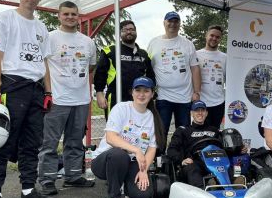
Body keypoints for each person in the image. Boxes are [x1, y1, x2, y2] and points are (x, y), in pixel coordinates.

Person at [0, 0, 55, 198]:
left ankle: (28, 190)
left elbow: (44, 63)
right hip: (11, 87)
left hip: (36, 89)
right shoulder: (3, 19)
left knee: (32, 143)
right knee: (0, 141)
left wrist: (48, 91)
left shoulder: (41, 27)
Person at [37, 1, 97, 195]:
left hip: (81, 100)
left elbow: (91, 66)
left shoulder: (88, 42)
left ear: (78, 16)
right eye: (66, 14)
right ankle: (47, 179)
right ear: (59, 16)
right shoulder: (50, 38)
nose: (70, 17)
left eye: (73, 14)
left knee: (75, 141)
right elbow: (43, 65)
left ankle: (73, 176)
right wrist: (48, 91)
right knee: (50, 143)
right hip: (57, 99)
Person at [90, 77, 165, 198]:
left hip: (131, 161)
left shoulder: (151, 116)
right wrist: (136, 150)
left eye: (146, 91)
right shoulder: (121, 108)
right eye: (138, 90)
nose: (141, 94)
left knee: (142, 195)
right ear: (132, 92)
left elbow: (151, 149)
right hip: (106, 161)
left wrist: (144, 171)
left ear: (152, 94)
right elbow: (111, 138)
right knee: (119, 154)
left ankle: (129, 190)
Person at [147, 11, 201, 144]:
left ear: (179, 24)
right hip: (163, 96)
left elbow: (195, 68)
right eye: (170, 21)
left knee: (183, 131)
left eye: (176, 21)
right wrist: (149, 91)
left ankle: (181, 156)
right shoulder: (154, 42)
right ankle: (159, 155)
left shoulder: (188, 44)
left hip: (184, 96)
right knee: (161, 130)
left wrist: (196, 92)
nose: (173, 24)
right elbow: (148, 68)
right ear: (164, 23)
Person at [93, 20, 154, 119]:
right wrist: (99, 94)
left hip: (139, 98)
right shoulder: (110, 51)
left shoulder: (143, 54)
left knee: (138, 125)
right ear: (119, 33)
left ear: (136, 32)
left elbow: (150, 76)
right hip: (116, 97)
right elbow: (100, 74)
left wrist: (151, 94)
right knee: (115, 126)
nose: (129, 32)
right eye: (125, 30)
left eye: (132, 29)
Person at [166, 100, 220, 187]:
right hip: (194, 162)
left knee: (226, 164)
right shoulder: (183, 130)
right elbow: (171, 150)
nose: (200, 113)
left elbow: (223, 148)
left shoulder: (214, 130)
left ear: (206, 113)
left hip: (214, 161)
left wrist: (239, 149)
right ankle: (202, 190)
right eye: (197, 110)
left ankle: (234, 185)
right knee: (192, 168)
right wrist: (181, 160)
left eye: (202, 110)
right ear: (191, 113)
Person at [196, 25, 226, 128]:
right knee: (199, 132)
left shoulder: (225, 57)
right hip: (200, 102)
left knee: (214, 132)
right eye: (212, 35)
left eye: (217, 37)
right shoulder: (196, 55)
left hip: (219, 103)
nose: (214, 38)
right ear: (206, 36)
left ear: (220, 39)